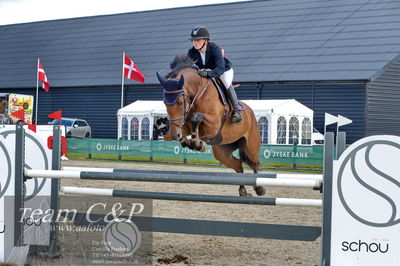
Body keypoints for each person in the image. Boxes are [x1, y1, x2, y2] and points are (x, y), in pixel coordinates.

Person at [187, 26, 242, 124]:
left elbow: (220, 68)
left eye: (197, 40)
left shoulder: (214, 49)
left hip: (223, 70)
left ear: (205, 40)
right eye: (193, 40)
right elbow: (189, 65)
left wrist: (209, 74)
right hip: (205, 71)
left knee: (226, 82)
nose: (194, 43)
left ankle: (236, 110)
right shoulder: (192, 52)